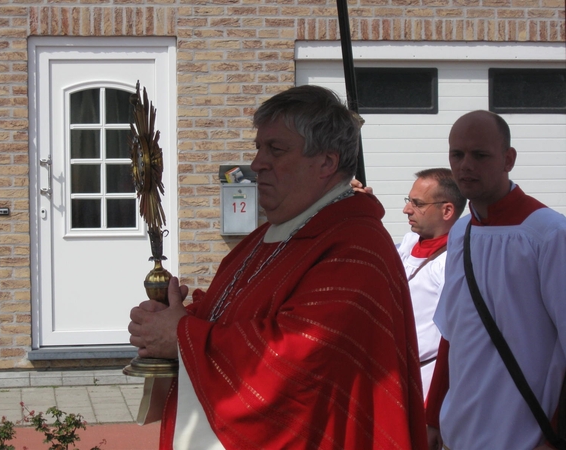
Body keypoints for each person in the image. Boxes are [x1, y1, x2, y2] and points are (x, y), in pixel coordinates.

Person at [128, 85, 428, 450]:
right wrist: (177, 317)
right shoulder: (269, 236)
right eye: (258, 148)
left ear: (326, 163)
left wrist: (181, 336)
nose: (256, 164)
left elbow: (299, 360)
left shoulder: (356, 249)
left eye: (276, 149)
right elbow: (242, 314)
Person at [426, 110, 566, 450]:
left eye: (480, 155)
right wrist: (432, 418)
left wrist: (556, 435)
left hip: (524, 435)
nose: (465, 166)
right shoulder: (461, 232)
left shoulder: (548, 234)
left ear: (508, 159)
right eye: (457, 155)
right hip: (461, 432)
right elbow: (453, 333)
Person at [396, 168, 465, 398]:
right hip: (397, 373)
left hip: (427, 381)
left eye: (417, 203)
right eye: (409, 200)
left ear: (447, 210)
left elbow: (456, 337)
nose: (407, 209)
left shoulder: (453, 263)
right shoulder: (409, 242)